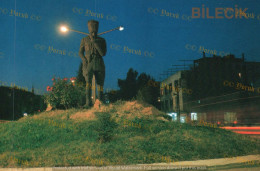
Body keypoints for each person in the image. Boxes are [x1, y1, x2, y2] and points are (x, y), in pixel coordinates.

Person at [79, 20, 107, 107]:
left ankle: (100, 101)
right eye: (92, 31)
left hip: (99, 63)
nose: (93, 33)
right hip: (89, 63)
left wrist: (94, 42)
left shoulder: (102, 40)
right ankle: (88, 102)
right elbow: (80, 52)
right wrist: (84, 59)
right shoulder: (84, 39)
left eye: (95, 31)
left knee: (100, 84)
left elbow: (103, 53)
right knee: (88, 83)